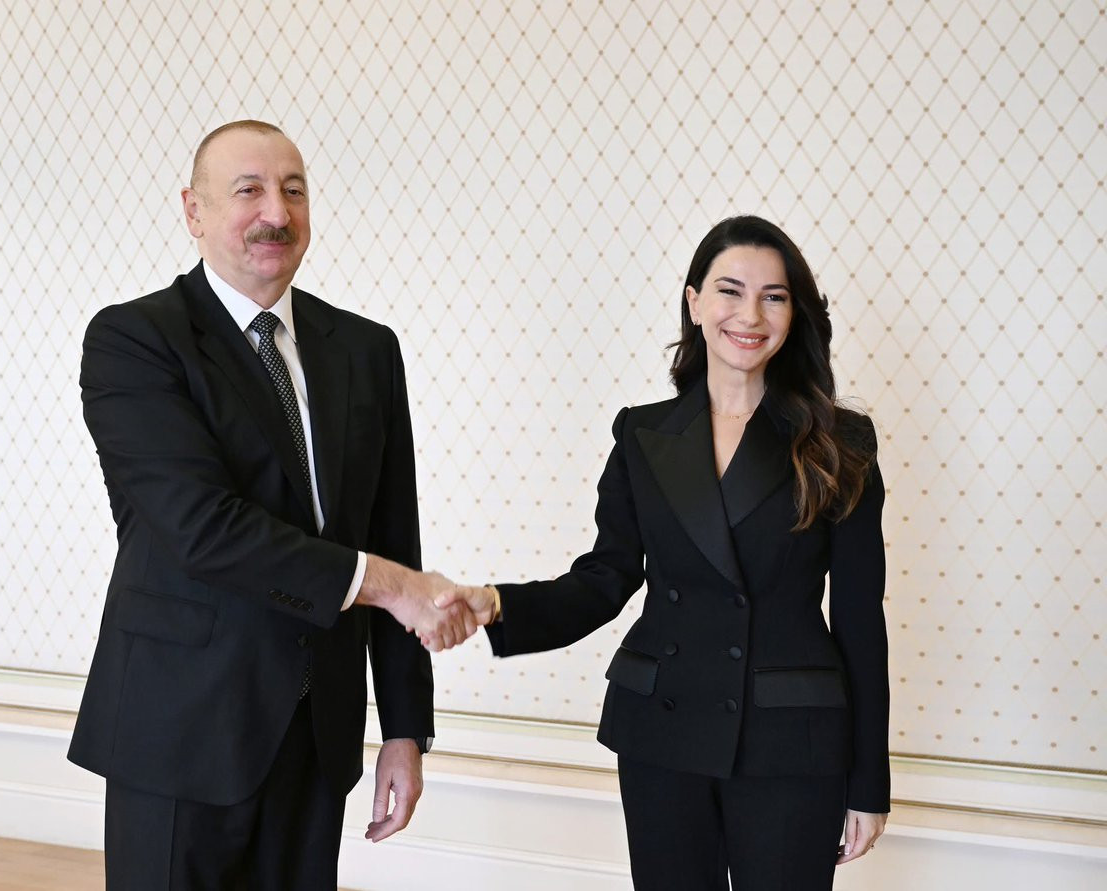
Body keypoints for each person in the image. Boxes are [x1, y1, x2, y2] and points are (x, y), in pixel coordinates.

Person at [70, 119, 476, 890]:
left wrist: (404, 727)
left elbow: (394, 533)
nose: (277, 213)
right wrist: (391, 585)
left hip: (316, 736)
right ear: (193, 211)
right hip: (181, 728)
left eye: (294, 190)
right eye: (248, 190)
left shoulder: (367, 350)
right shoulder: (134, 340)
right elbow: (203, 528)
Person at [436, 216, 890, 890]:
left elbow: (859, 621)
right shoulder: (643, 434)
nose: (750, 315)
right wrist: (498, 604)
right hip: (662, 730)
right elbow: (605, 577)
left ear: (794, 313)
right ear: (695, 302)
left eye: (773, 296)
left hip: (791, 742)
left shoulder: (840, 443)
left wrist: (869, 784)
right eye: (730, 291)